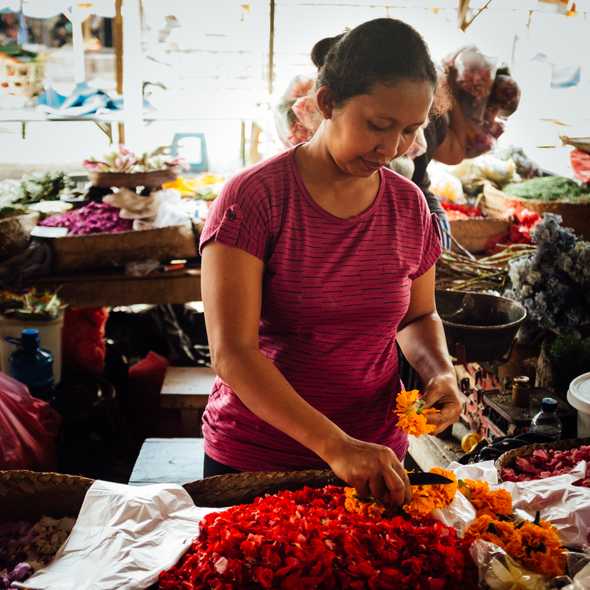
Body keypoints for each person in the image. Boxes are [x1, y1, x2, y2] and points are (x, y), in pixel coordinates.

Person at [200, 18, 464, 507]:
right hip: (259, 460)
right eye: (378, 126)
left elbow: (418, 316)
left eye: (410, 130)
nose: (393, 149)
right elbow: (232, 353)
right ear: (326, 104)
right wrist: (335, 446)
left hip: (377, 457)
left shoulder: (408, 206)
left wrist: (440, 373)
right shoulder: (255, 198)